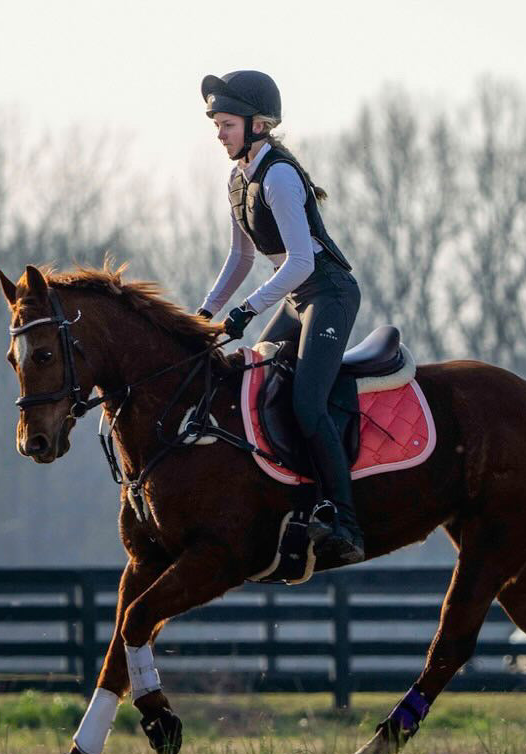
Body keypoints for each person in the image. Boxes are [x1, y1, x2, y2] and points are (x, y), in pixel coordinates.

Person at [196, 69, 365, 564]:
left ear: (259, 125)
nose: (219, 134)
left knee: (307, 402)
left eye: (226, 124)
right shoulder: (238, 179)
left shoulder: (281, 176)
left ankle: (346, 523)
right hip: (298, 298)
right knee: (260, 382)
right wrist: (206, 313)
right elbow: (241, 259)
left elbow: (302, 262)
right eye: (217, 124)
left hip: (328, 294)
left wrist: (246, 311)